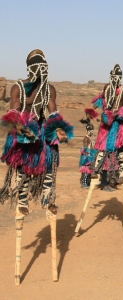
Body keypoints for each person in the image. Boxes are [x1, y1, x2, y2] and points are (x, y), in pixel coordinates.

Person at [0, 49, 74, 215]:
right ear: (31, 69)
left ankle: (48, 200)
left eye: (45, 68)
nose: (43, 71)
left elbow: (53, 112)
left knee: (49, 164)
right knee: (23, 167)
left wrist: (60, 129)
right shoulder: (17, 88)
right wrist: (23, 130)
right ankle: (22, 201)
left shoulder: (49, 89)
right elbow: (13, 114)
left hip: (41, 130)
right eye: (40, 68)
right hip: (22, 129)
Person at [89, 64, 123, 191]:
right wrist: (97, 113)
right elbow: (101, 100)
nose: (114, 80)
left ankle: (119, 175)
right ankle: (96, 171)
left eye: (116, 77)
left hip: (120, 125)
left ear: (120, 78)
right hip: (106, 125)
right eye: (112, 77)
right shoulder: (107, 88)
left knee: (120, 150)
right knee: (102, 148)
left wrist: (113, 115)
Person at [79, 118, 96, 188]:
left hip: (91, 155)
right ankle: (84, 183)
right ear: (88, 130)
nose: (92, 131)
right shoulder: (86, 138)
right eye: (90, 130)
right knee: (86, 170)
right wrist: (87, 157)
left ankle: (88, 182)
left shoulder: (91, 138)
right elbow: (85, 148)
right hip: (86, 156)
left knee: (89, 170)